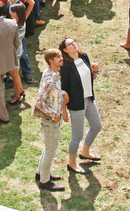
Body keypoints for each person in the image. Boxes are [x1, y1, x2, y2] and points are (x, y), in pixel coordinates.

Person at [60, 37, 102, 174]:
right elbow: (63, 89)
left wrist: (94, 71)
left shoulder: (84, 56)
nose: (74, 44)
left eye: (74, 42)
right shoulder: (66, 66)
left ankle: (85, 152)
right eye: (70, 44)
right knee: (77, 135)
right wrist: (64, 110)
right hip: (76, 103)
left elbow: (90, 79)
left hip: (89, 99)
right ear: (65, 50)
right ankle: (72, 163)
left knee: (96, 126)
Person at [35, 48, 69, 191]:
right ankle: (44, 181)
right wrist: (54, 114)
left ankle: (41, 172)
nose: (61, 58)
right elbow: (39, 102)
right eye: (58, 57)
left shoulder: (52, 73)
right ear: (51, 61)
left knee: (48, 147)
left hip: (52, 119)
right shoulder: (50, 79)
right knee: (51, 149)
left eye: (61, 56)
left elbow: (54, 93)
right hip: (50, 120)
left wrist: (63, 93)